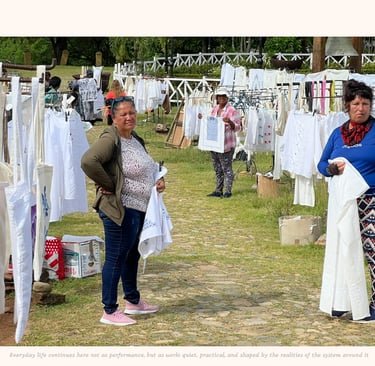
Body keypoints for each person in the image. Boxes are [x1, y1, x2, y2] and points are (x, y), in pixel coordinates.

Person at [81, 96, 165, 326]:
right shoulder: (111, 137)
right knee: (116, 258)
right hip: (120, 209)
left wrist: (157, 180)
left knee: (131, 255)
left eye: (132, 113)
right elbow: (89, 161)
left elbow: (146, 167)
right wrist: (109, 184)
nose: (129, 117)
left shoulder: (134, 138)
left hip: (139, 208)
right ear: (114, 118)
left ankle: (133, 301)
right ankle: (109, 310)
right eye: (123, 114)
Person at [317, 79, 375, 322]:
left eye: (366, 103)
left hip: (371, 199)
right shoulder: (337, 134)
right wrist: (330, 169)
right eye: (356, 103)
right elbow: (321, 164)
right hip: (344, 203)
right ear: (347, 106)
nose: (361, 108)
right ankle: (342, 299)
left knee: (373, 252)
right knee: (343, 250)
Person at [198, 86, 241, 198]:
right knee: (217, 168)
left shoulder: (232, 111)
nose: (221, 98)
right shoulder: (214, 109)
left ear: (227, 98)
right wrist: (203, 118)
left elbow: (237, 127)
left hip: (226, 144)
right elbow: (210, 122)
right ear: (217, 98)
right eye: (219, 96)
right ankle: (218, 190)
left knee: (226, 168)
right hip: (215, 144)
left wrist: (230, 122)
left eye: (223, 96)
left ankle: (228, 191)